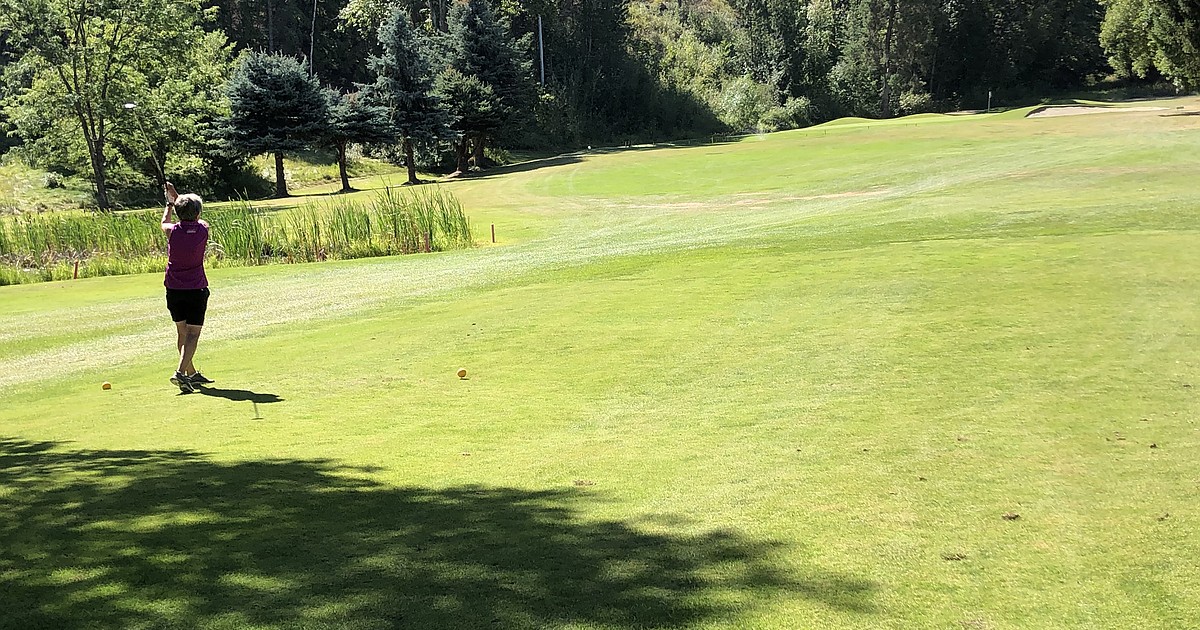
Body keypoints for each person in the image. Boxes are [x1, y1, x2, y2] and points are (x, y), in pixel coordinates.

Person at [161, 182, 214, 394]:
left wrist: (170, 203)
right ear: (198, 213)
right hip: (196, 289)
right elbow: (194, 214)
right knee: (193, 334)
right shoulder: (203, 229)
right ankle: (181, 372)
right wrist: (177, 197)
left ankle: (191, 374)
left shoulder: (172, 231)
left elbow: (165, 221)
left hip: (173, 289)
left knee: (182, 332)